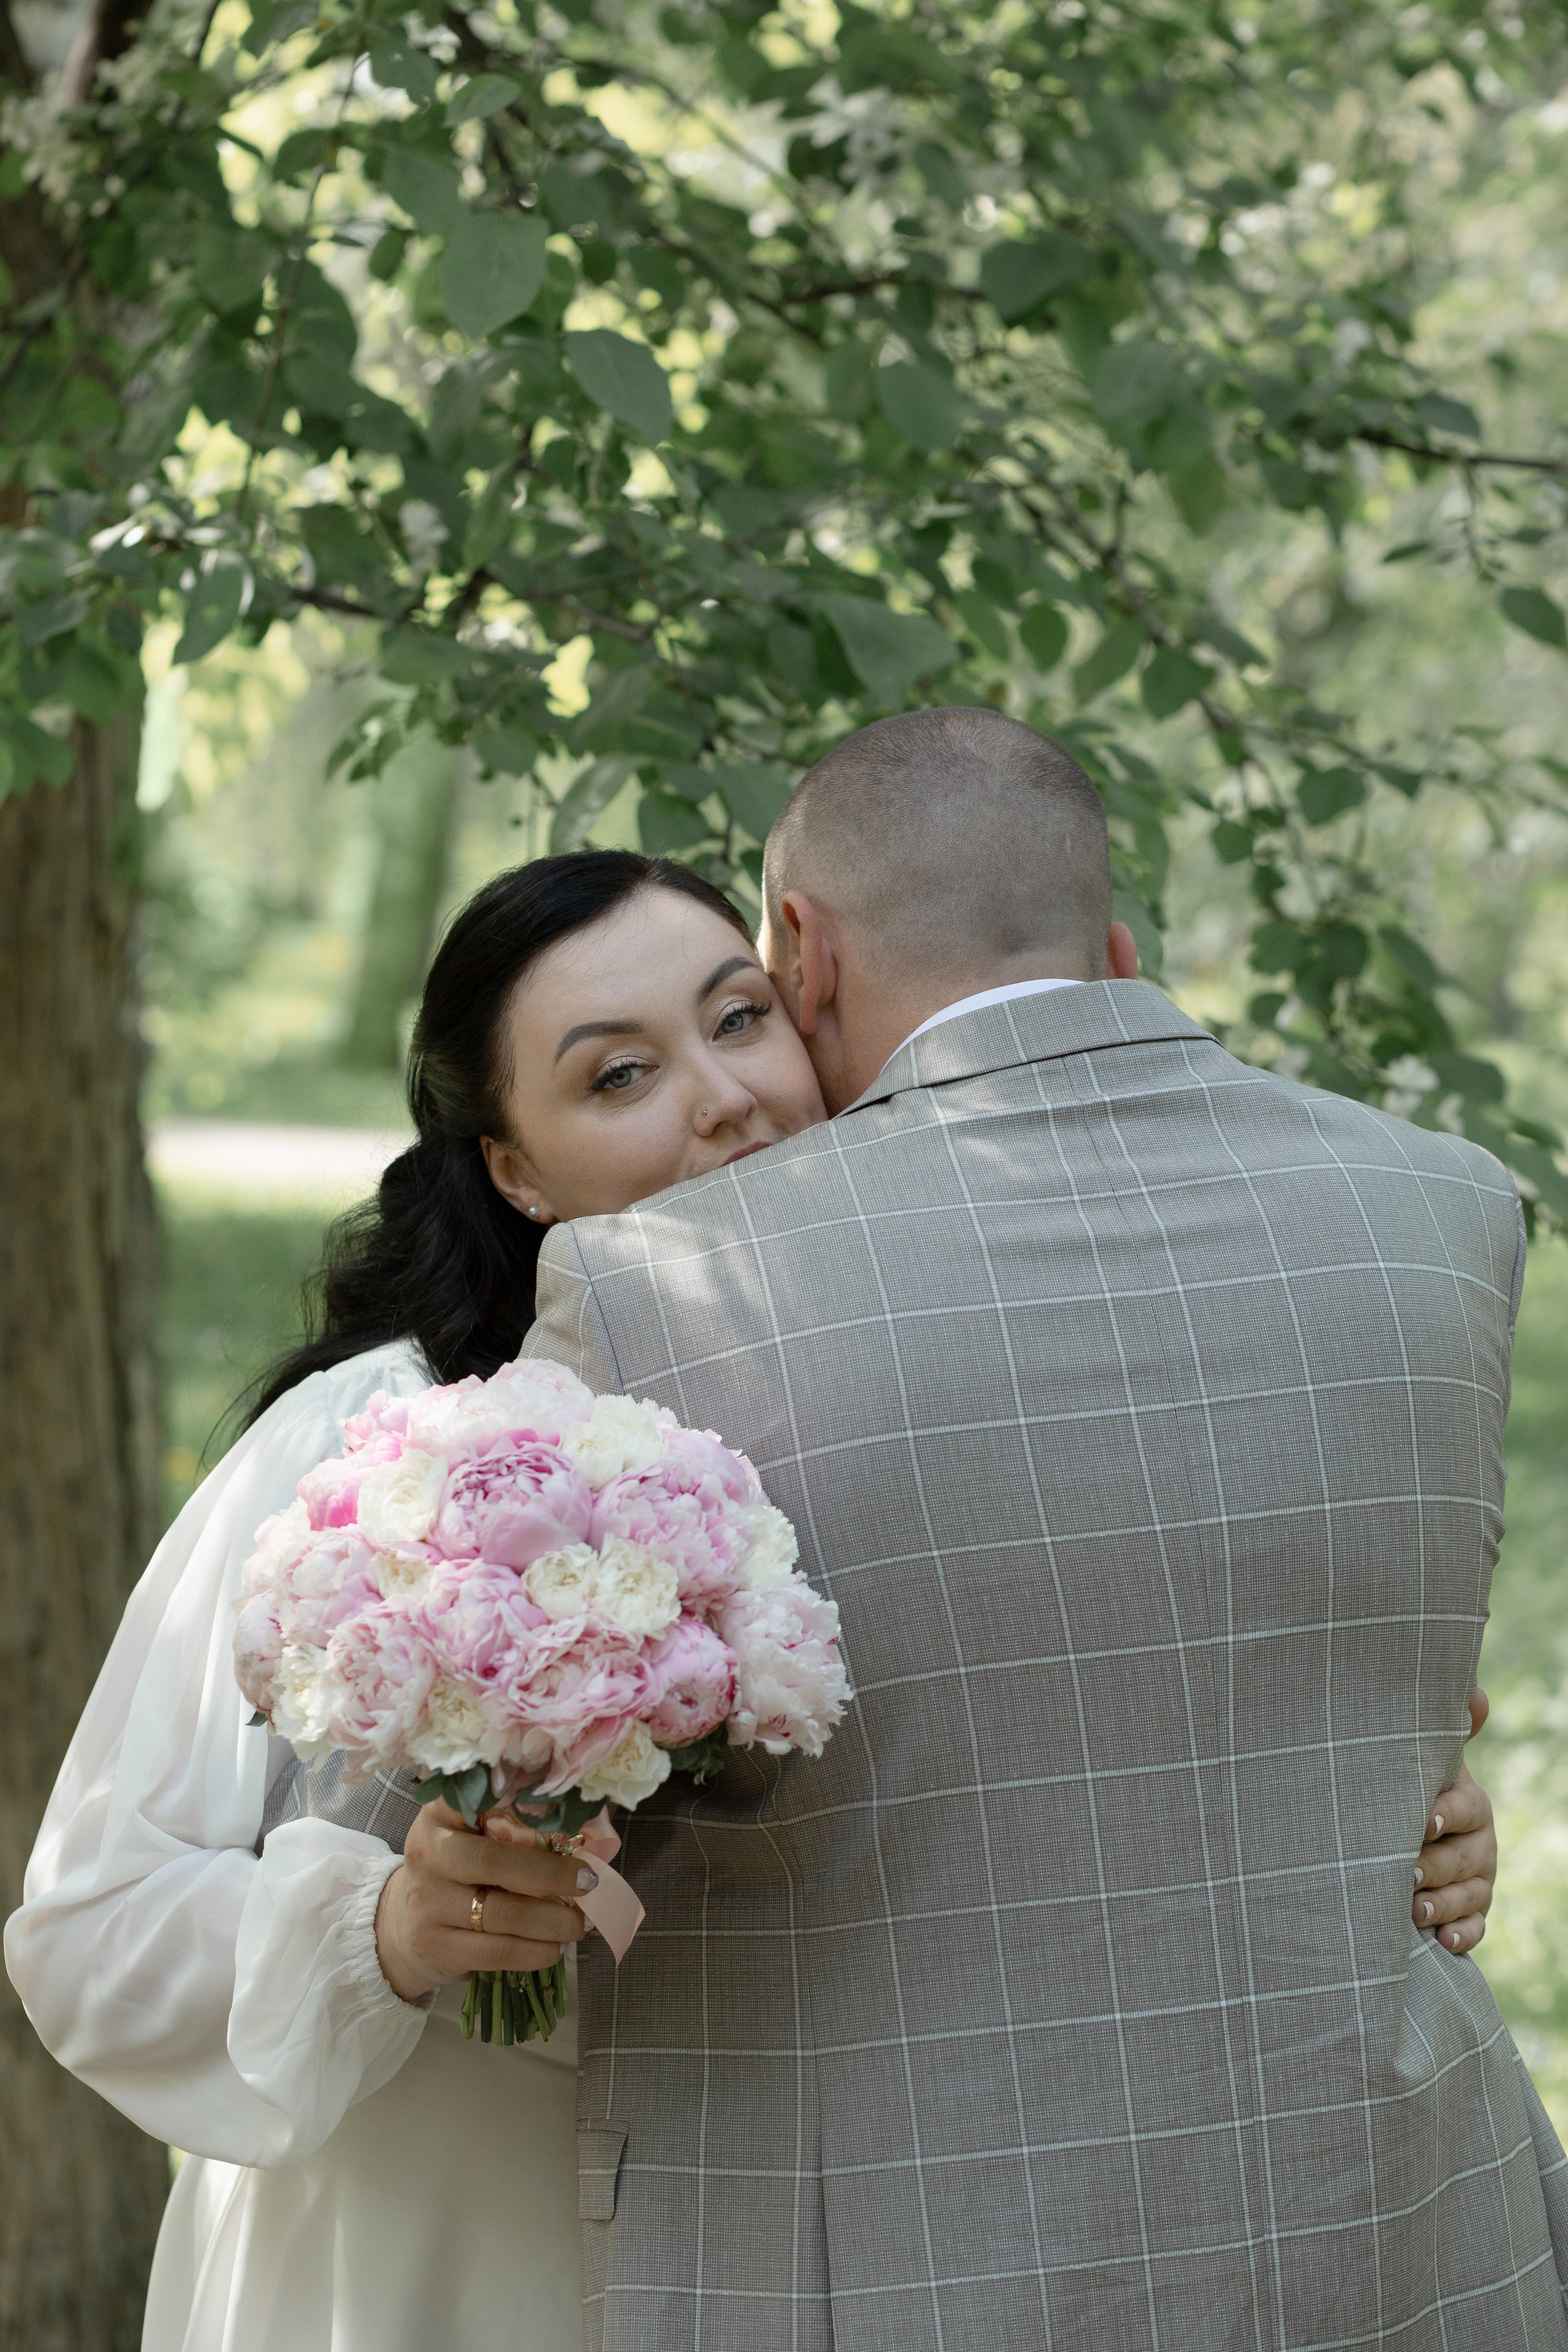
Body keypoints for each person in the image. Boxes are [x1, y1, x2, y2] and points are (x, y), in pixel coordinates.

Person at [4, 823, 1498, 2351]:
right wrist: (385, 1931)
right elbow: (88, 1931)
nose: (722, 1101)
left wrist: (1387, 1805)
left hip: (800, 2256)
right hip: (444, 2249)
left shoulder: (876, 1400)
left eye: (738, 1019)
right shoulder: (370, 1450)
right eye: (618, 1075)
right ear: (509, 1168)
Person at [519, 709, 1564, 2350]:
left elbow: (525, 1836)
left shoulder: (657, 1289)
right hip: (1400, 2228)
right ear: (1118, 948)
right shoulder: (1444, 1210)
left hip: (897, 2258)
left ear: (805, 951)